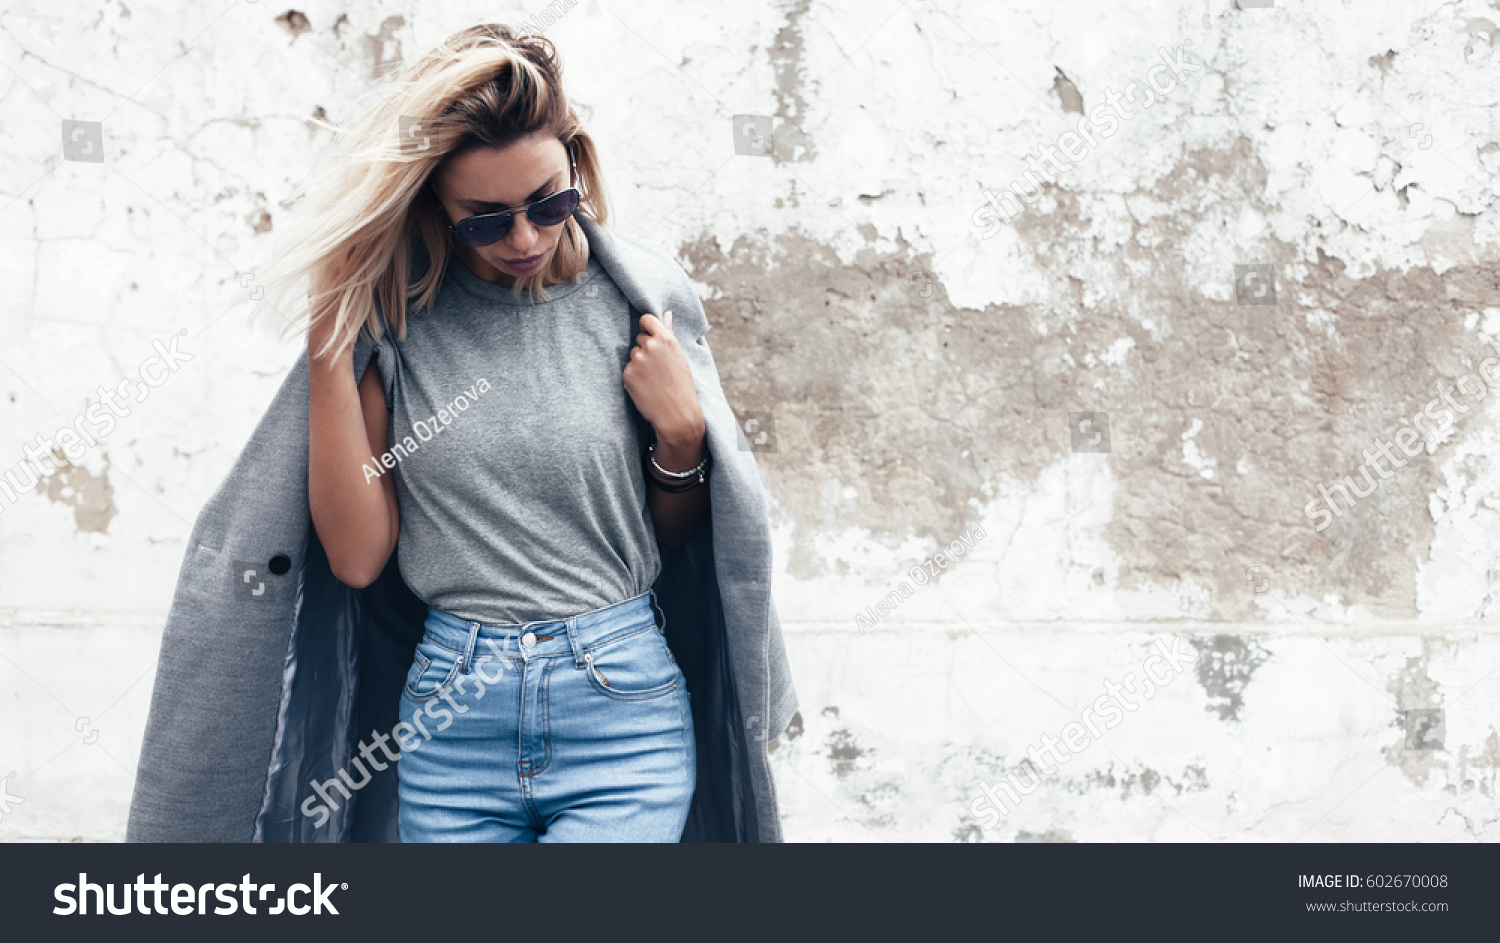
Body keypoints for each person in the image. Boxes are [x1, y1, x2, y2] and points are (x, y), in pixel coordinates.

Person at [290, 23, 711, 841]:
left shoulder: (640, 304)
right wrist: (328, 344)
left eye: (549, 204)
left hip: (621, 708)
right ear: (435, 207)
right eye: (485, 219)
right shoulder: (398, 327)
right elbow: (357, 555)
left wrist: (684, 438)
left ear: (577, 167)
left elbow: (661, 543)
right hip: (452, 720)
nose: (525, 238)